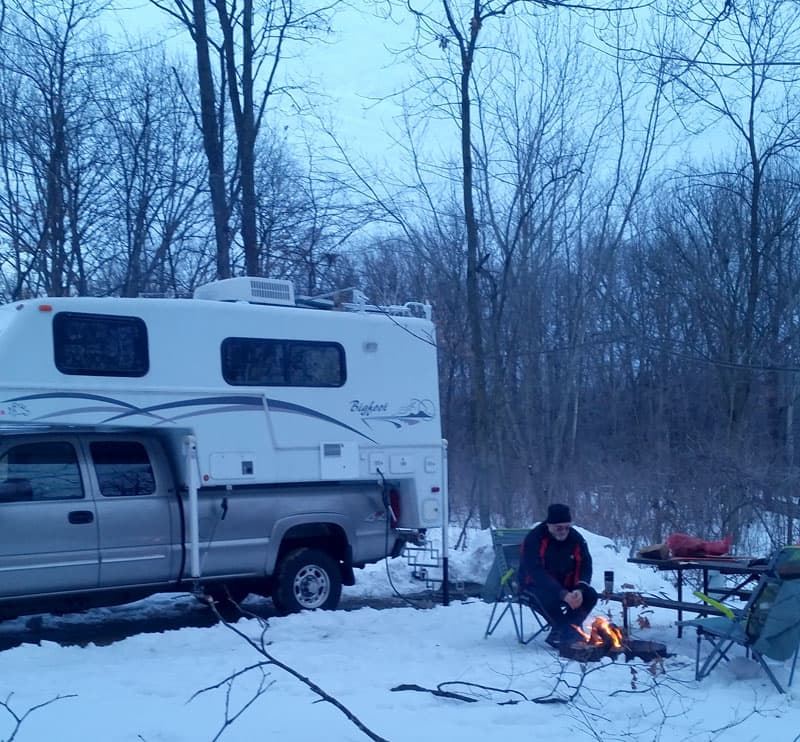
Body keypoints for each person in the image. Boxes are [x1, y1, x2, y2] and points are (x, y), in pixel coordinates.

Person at [517, 503, 598, 648]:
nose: (564, 531)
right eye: (559, 528)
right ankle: (565, 632)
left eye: (567, 527)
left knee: (590, 594)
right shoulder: (535, 539)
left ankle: (564, 632)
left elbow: (585, 564)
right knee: (547, 597)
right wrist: (562, 594)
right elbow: (535, 572)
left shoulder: (575, 538)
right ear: (549, 525)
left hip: (565, 585)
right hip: (533, 586)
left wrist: (579, 589)